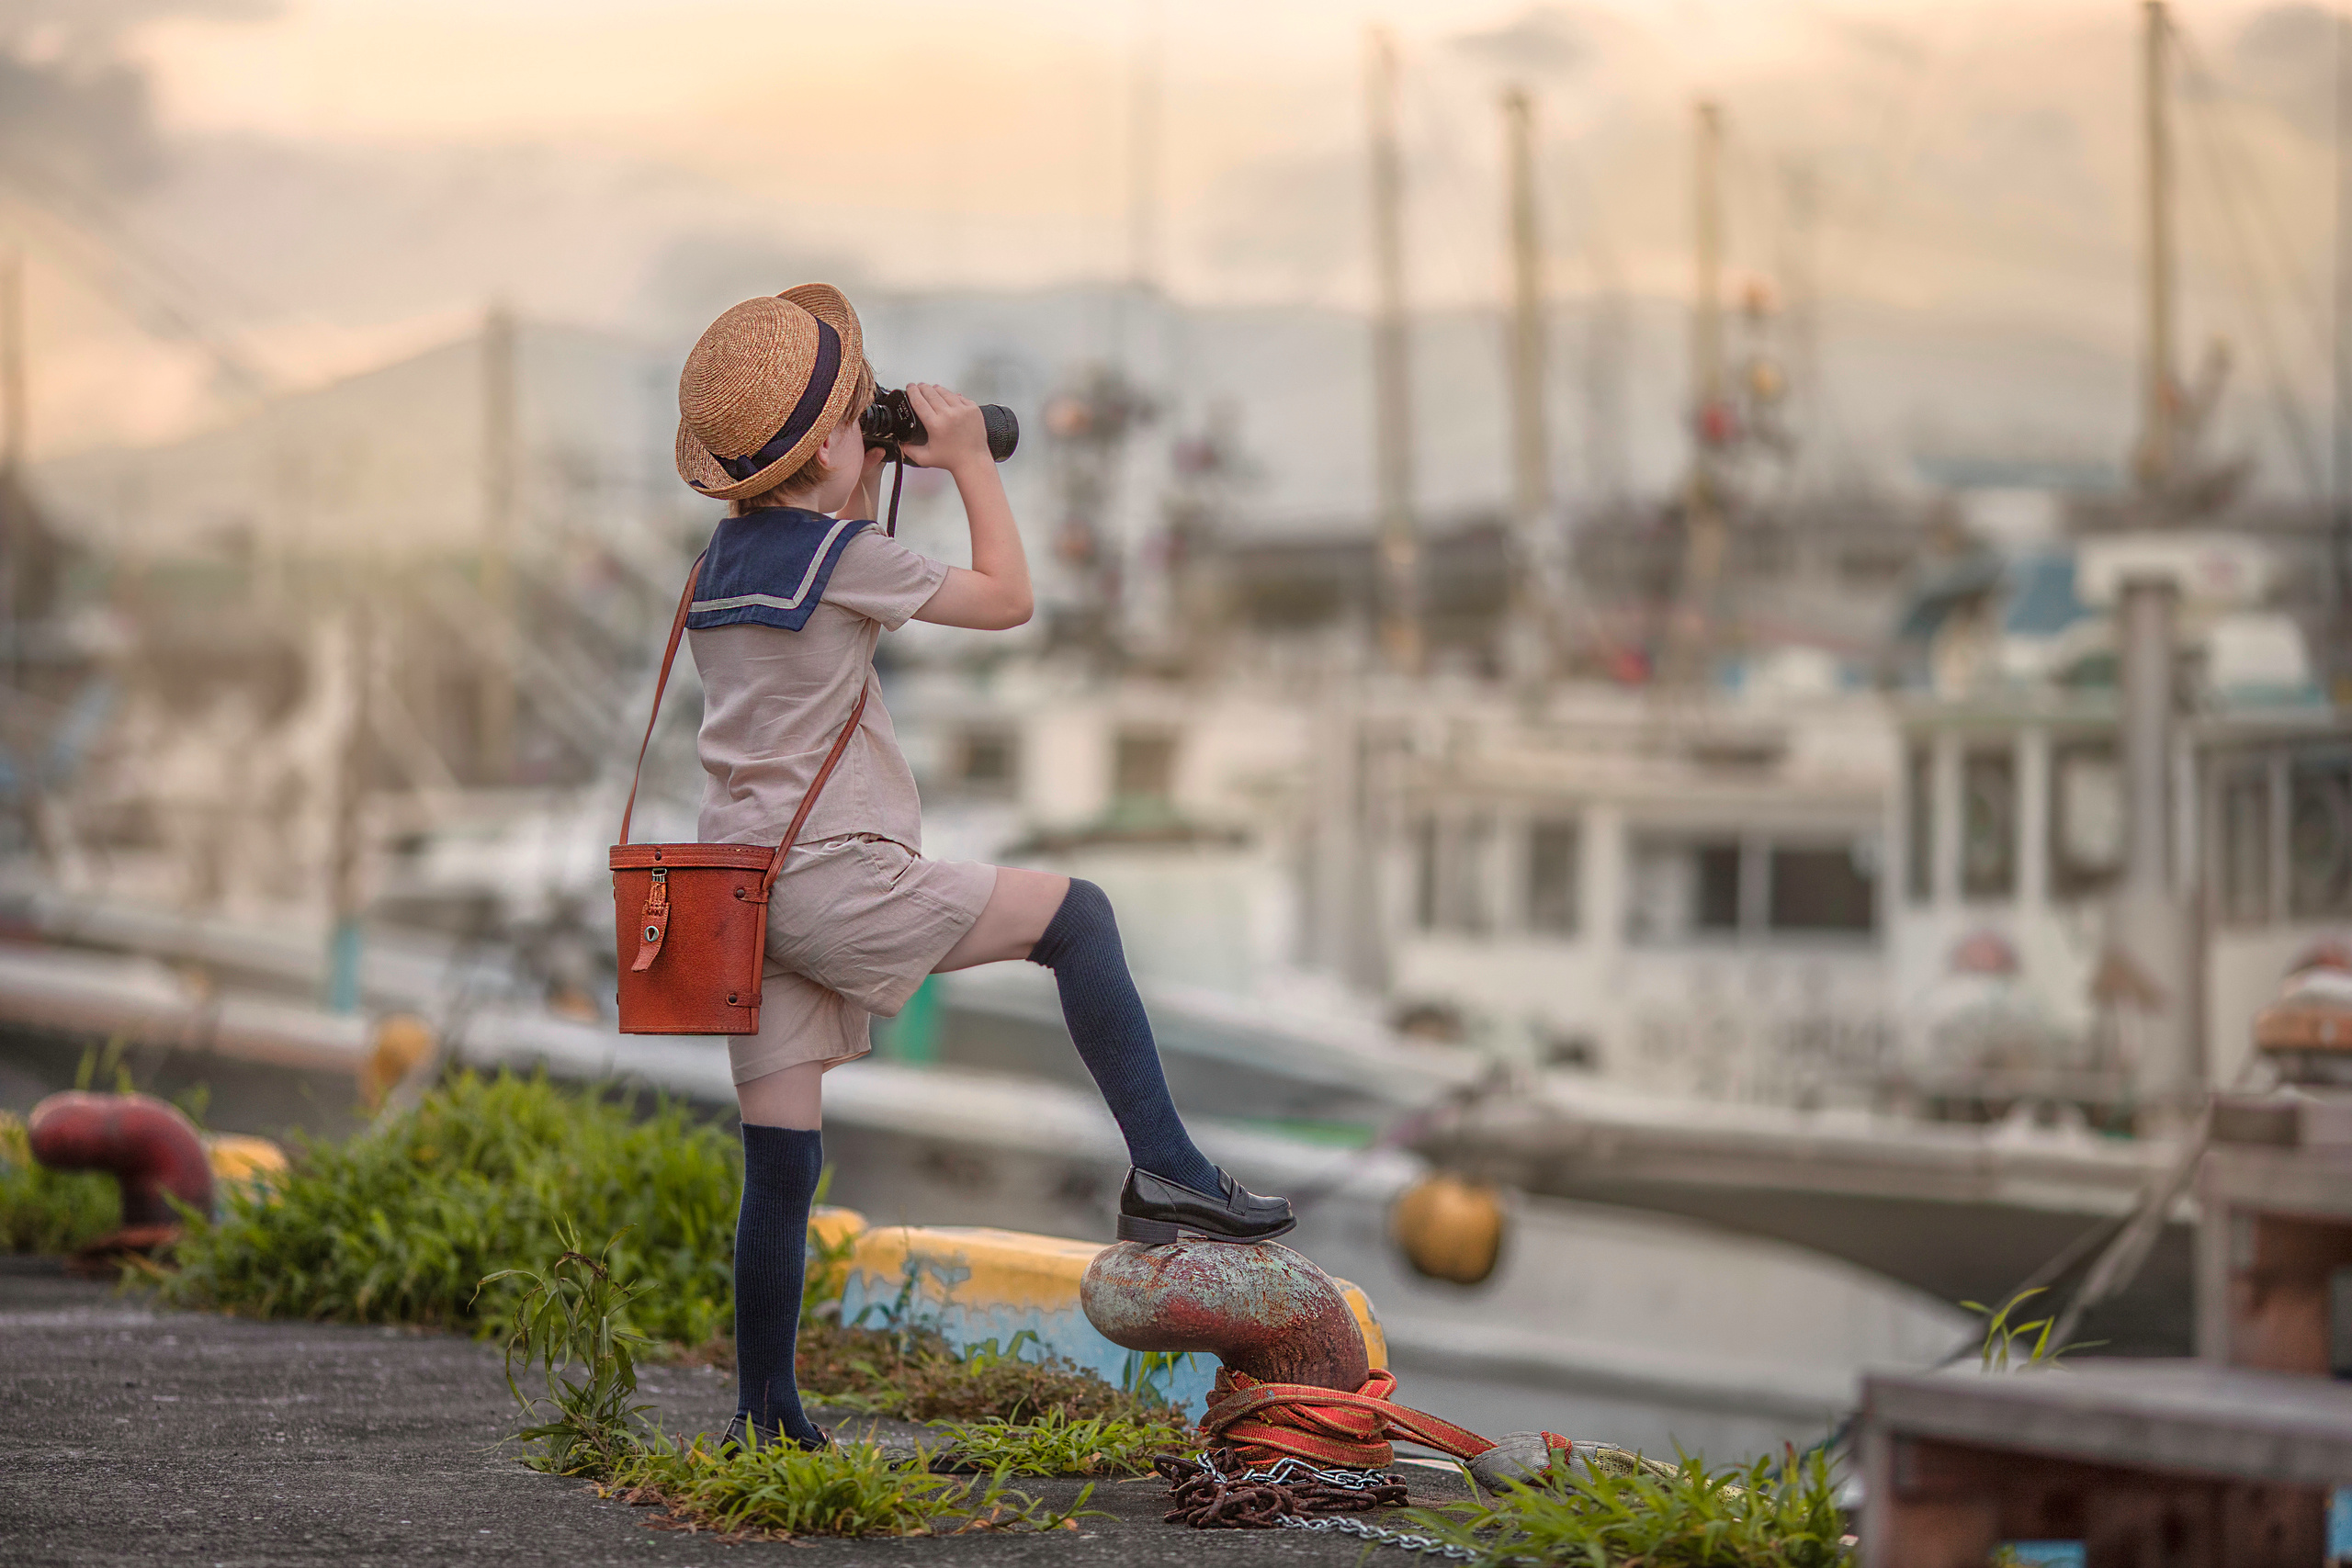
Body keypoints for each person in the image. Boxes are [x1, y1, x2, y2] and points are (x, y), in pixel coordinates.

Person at [671, 286, 1294, 1453]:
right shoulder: (844, 554)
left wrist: (856, 456)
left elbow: (819, 570)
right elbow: (1008, 599)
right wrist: (962, 460)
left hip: (740, 897)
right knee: (1078, 916)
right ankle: (1168, 1170)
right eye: (862, 416)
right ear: (831, 451)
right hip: (831, 879)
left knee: (780, 1166)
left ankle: (764, 1417)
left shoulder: (725, 565)